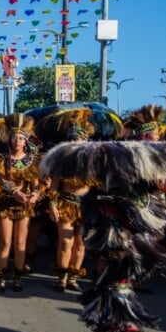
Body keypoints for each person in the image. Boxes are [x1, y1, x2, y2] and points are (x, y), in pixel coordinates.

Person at [40, 138, 166, 332]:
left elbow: (139, 228)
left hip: (124, 255)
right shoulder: (114, 193)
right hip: (113, 254)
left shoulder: (133, 197)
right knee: (108, 294)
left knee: (119, 297)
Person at [0, 113, 41, 292]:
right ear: (9, 139)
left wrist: (35, 195)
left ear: (26, 141)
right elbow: (2, 181)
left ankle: (17, 277)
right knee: (6, 242)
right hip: (5, 203)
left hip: (24, 206)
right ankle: (1, 277)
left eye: (21, 138)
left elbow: (36, 185)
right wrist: (16, 192)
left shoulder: (32, 161)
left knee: (20, 243)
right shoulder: (0, 159)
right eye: (14, 137)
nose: (17, 140)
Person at [47, 121, 96, 292]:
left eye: (79, 139)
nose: (75, 142)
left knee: (80, 243)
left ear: (86, 141)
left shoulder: (93, 163)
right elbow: (53, 187)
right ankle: (62, 277)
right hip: (65, 204)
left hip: (86, 206)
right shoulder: (61, 162)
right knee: (66, 242)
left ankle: (73, 278)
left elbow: (98, 188)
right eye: (72, 139)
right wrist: (52, 206)